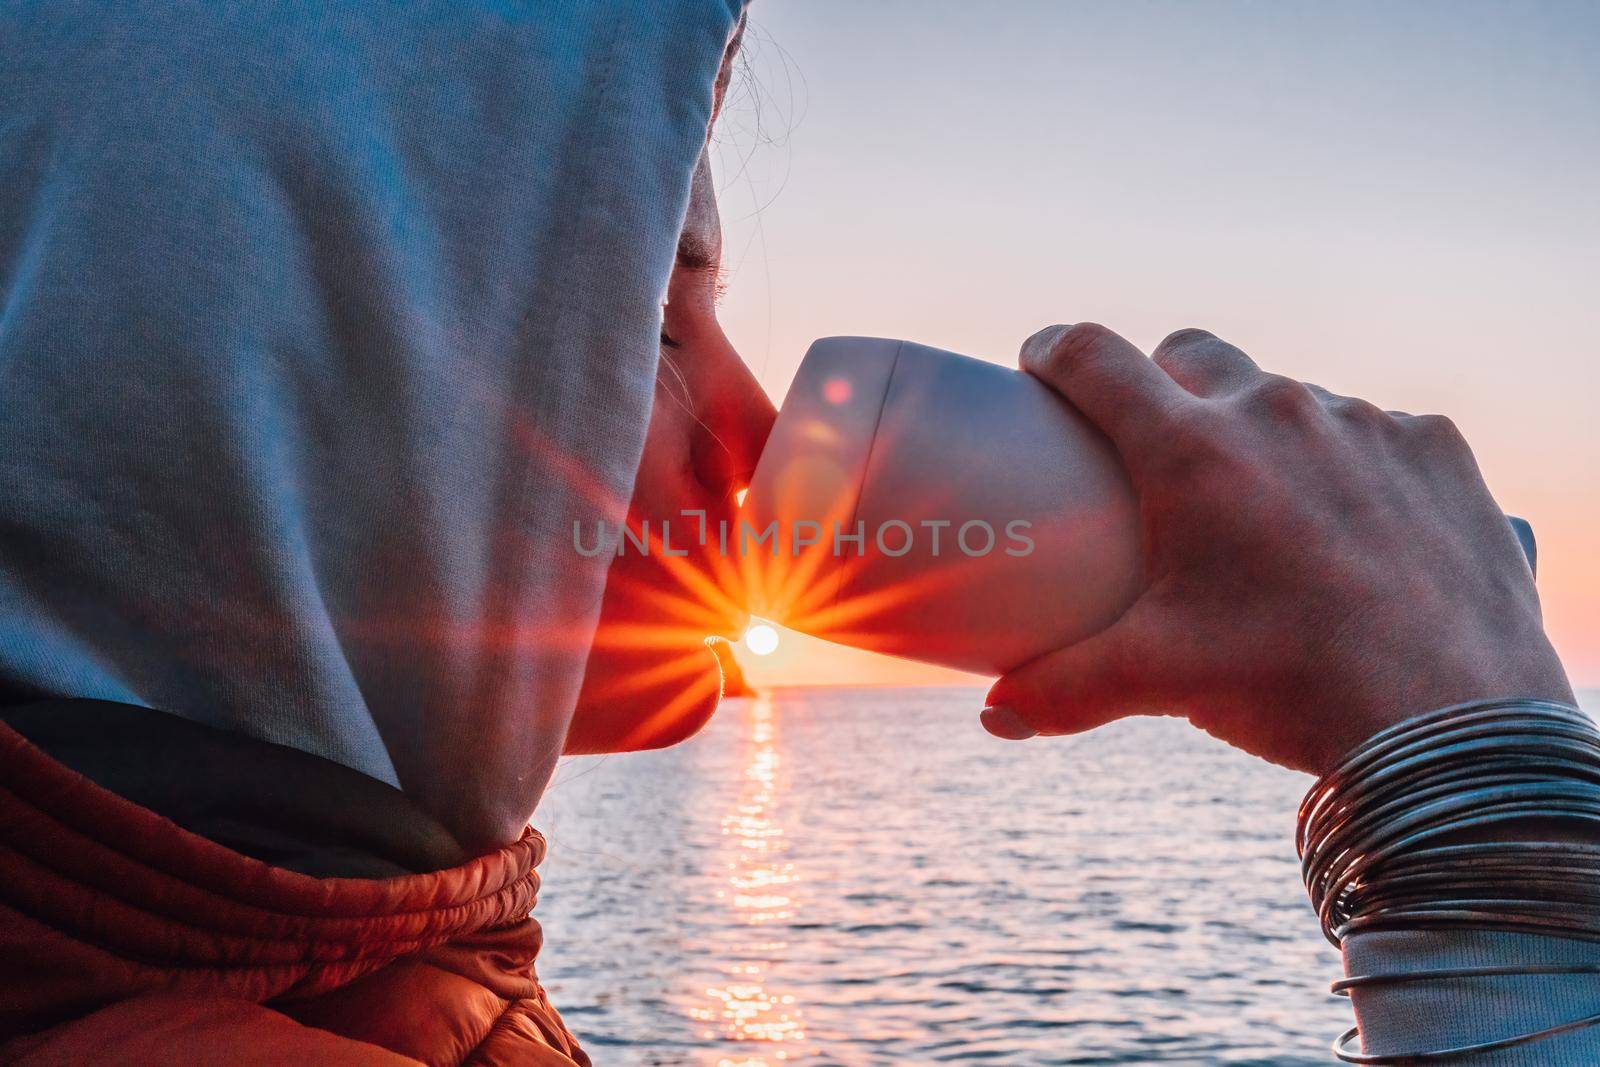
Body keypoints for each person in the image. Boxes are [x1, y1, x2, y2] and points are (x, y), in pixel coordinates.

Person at [0, 2, 1592, 1064]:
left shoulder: (330, 973)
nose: (753, 427)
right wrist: (1464, 765)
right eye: (649, 315)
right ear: (285, 361)